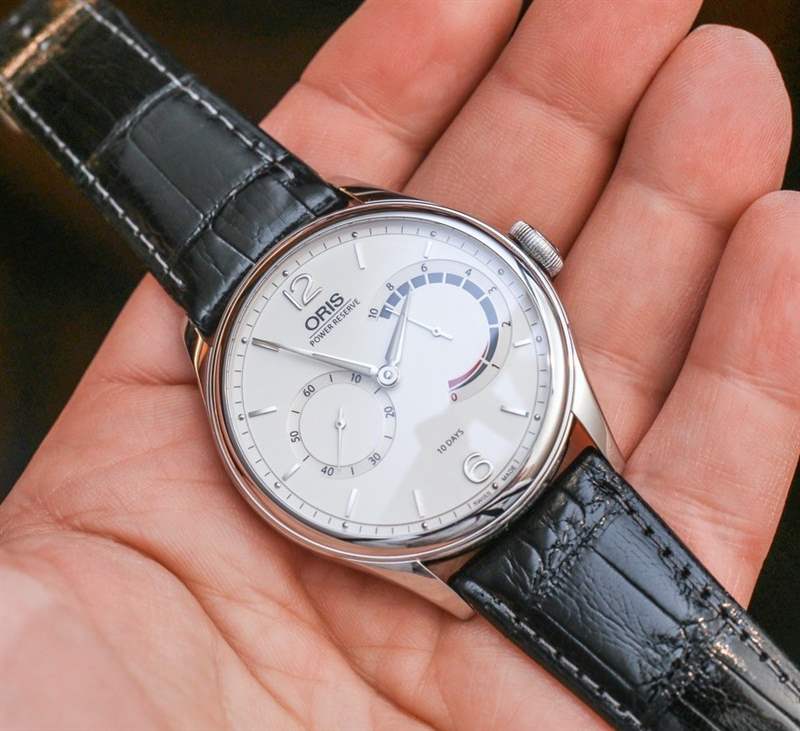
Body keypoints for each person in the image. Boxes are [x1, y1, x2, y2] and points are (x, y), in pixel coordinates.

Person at [0, 1, 798, 728]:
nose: (382, 376)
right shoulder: (228, 369)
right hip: (453, 531)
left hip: (548, 446)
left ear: (524, 258)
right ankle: (43, 60)